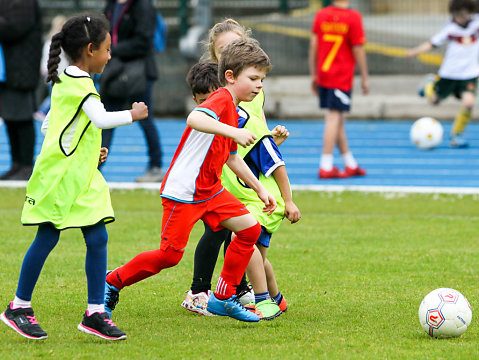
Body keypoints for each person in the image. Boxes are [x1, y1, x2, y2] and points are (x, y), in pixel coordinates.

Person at [104, 37, 276, 323]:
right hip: (184, 191)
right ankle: (113, 280)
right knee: (169, 256)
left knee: (249, 230)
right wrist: (233, 132)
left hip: (210, 190)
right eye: (254, 78)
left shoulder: (232, 109)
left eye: (262, 80)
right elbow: (195, 118)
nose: (260, 85)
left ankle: (223, 297)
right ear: (231, 78)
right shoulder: (220, 99)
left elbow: (231, 158)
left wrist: (259, 189)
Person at [0, 14, 149, 341]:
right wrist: (133, 115)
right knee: (48, 237)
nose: (111, 55)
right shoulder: (80, 85)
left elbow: (53, 125)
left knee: (98, 238)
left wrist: (86, 151)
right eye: (108, 49)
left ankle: (95, 312)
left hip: (82, 177)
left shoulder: (67, 80)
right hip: (61, 179)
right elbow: (99, 118)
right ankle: (19, 306)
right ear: (91, 49)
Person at [180, 20, 299, 321]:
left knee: (242, 240)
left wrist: (268, 138)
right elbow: (205, 121)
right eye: (223, 50)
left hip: (247, 168)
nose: (230, 53)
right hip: (225, 171)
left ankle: (252, 294)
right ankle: (204, 291)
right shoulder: (217, 92)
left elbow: (252, 122)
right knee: (221, 233)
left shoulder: (251, 88)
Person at [101, 0, 163, 182]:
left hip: (138, 72)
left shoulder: (143, 6)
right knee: (105, 120)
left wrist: (112, 50)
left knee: (145, 119)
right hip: (114, 71)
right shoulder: (111, 5)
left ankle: (155, 166)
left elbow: (143, 41)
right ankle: (96, 165)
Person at [308, 0, 369, 179]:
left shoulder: (321, 14)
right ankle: (325, 165)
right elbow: (358, 49)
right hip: (340, 75)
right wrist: (365, 76)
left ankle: (350, 163)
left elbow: (314, 45)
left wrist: (313, 73)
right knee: (334, 117)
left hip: (324, 73)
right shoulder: (353, 17)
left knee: (338, 117)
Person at [407, 0, 479, 148]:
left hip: (469, 74)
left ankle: (456, 135)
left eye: (464, 12)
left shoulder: (476, 24)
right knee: (434, 101)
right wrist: (414, 51)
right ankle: (429, 85)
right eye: (458, 13)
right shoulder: (449, 28)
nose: (461, 16)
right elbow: (431, 43)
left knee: (469, 103)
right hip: (449, 74)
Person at [0, 0, 42, 180]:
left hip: (21, 69)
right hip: (8, 70)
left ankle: (26, 165)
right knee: (10, 117)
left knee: (22, 117)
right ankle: (16, 164)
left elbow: (15, 27)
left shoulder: (25, 2)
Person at [34, 15, 69, 122]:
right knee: (54, 95)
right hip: (56, 72)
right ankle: (42, 111)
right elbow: (47, 57)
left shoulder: (49, 41)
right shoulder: (56, 42)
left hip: (55, 71)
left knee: (55, 94)